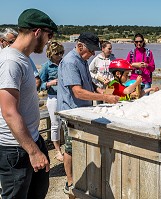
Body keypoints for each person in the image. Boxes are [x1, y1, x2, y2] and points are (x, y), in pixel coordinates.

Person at [0, 8, 57, 199]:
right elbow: (9, 112)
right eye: (49, 35)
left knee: (37, 192)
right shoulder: (10, 62)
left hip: (31, 139)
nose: (49, 40)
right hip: (15, 148)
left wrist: (36, 144)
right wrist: (33, 151)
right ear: (37, 32)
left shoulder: (23, 58)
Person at [57, 32, 119, 195]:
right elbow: (77, 92)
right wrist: (104, 97)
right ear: (79, 46)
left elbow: (88, 82)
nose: (93, 54)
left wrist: (100, 91)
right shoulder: (70, 62)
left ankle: (82, 176)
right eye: (91, 51)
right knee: (70, 148)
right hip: (70, 112)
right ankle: (70, 182)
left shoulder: (82, 60)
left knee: (80, 146)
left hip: (82, 111)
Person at [40, 41, 65, 162]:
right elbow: (39, 85)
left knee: (66, 124)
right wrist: (50, 83)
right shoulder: (46, 66)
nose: (60, 55)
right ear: (51, 53)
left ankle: (69, 148)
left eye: (62, 52)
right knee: (55, 125)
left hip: (65, 97)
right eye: (57, 53)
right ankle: (58, 151)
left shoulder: (64, 63)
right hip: (53, 98)